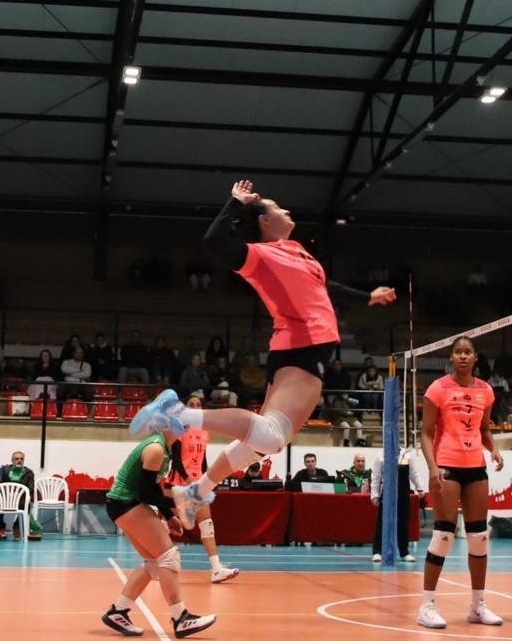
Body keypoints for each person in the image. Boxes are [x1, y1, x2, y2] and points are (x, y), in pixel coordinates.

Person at [127, 180, 395, 527]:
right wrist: (236, 203)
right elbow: (214, 242)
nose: (286, 210)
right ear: (265, 222)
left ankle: (196, 491)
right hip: (304, 344)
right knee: (269, 436)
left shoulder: (297, 250)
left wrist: (366, 296)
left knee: (261, 444)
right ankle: (177, 413)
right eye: (278, 208)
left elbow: (323, 285)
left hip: (298, 347)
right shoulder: (261, 256)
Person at [417, 336, 503, 629]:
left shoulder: (486, 391)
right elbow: (426, 433)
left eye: (468, 352)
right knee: (443, 535)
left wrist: (494, 450)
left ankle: (477, 606)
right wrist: (432, 467)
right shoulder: (438, 389)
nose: (463, 357)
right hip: (447, 467)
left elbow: (484, 429)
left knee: (479, 537)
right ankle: (426, 605)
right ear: (451, 358)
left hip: (475, 468)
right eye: (458, 352)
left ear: (475, 357)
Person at [101, 428, 216, 639]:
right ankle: (180, 618)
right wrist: (179, 504)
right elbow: (145, 494)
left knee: (153, 562)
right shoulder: (155, 449)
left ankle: (118, 611)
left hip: (123, 504)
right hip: (126, 504)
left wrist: (169, 515)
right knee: (168, 557)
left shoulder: (167, 449)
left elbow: (153, 489)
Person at [165, 394, 238, 583]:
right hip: (178, 483)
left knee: (207, 526)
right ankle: (157, 565)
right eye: (192, 404)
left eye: (198, 405)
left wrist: (207, 479)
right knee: (166, 525)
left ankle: (216, 569)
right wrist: (189, 479)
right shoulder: (178, 428)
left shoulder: (205, 431)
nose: (195, 407)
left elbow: (203, 459)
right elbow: (176, 460)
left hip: (198, 483)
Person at [371, 446, 423, 563]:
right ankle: (377, 551)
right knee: (382, 522)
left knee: (403, 523)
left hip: (404, 493)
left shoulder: (407, 455)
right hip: (388, 494)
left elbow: (413, 473)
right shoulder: (380, 456)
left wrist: (419, 488)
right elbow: (376, 476)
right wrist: (374, 495)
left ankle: (404, 552)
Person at [0, 450, 35, 540]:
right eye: (16, 459)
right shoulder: (4, 469)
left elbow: (31, 489)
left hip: (20, 499)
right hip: (4, 497)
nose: (19, 460)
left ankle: (16, 526)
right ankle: (1, 526)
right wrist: (7, 491)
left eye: (21, 459)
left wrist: (18, 492)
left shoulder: (29, 473)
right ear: (12, 460)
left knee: (27, 505)